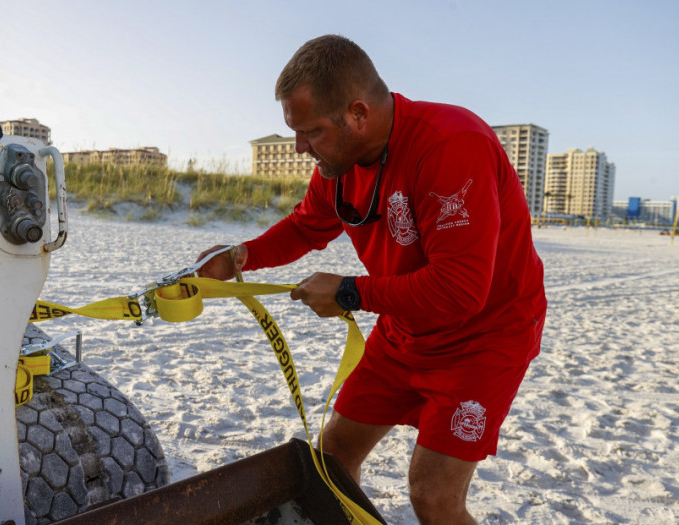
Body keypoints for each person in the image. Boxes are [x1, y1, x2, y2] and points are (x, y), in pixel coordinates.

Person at [197, 34, 546, 524]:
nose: (299, 148)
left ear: (358, 113)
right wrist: (241, 257)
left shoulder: (450, 144)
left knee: (433, 497)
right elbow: (305, 226)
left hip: (483, 338)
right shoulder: (338, 164)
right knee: (332, 460)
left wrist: (348, 291)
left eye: (311, 131)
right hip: (406, 327)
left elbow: (461, 290)